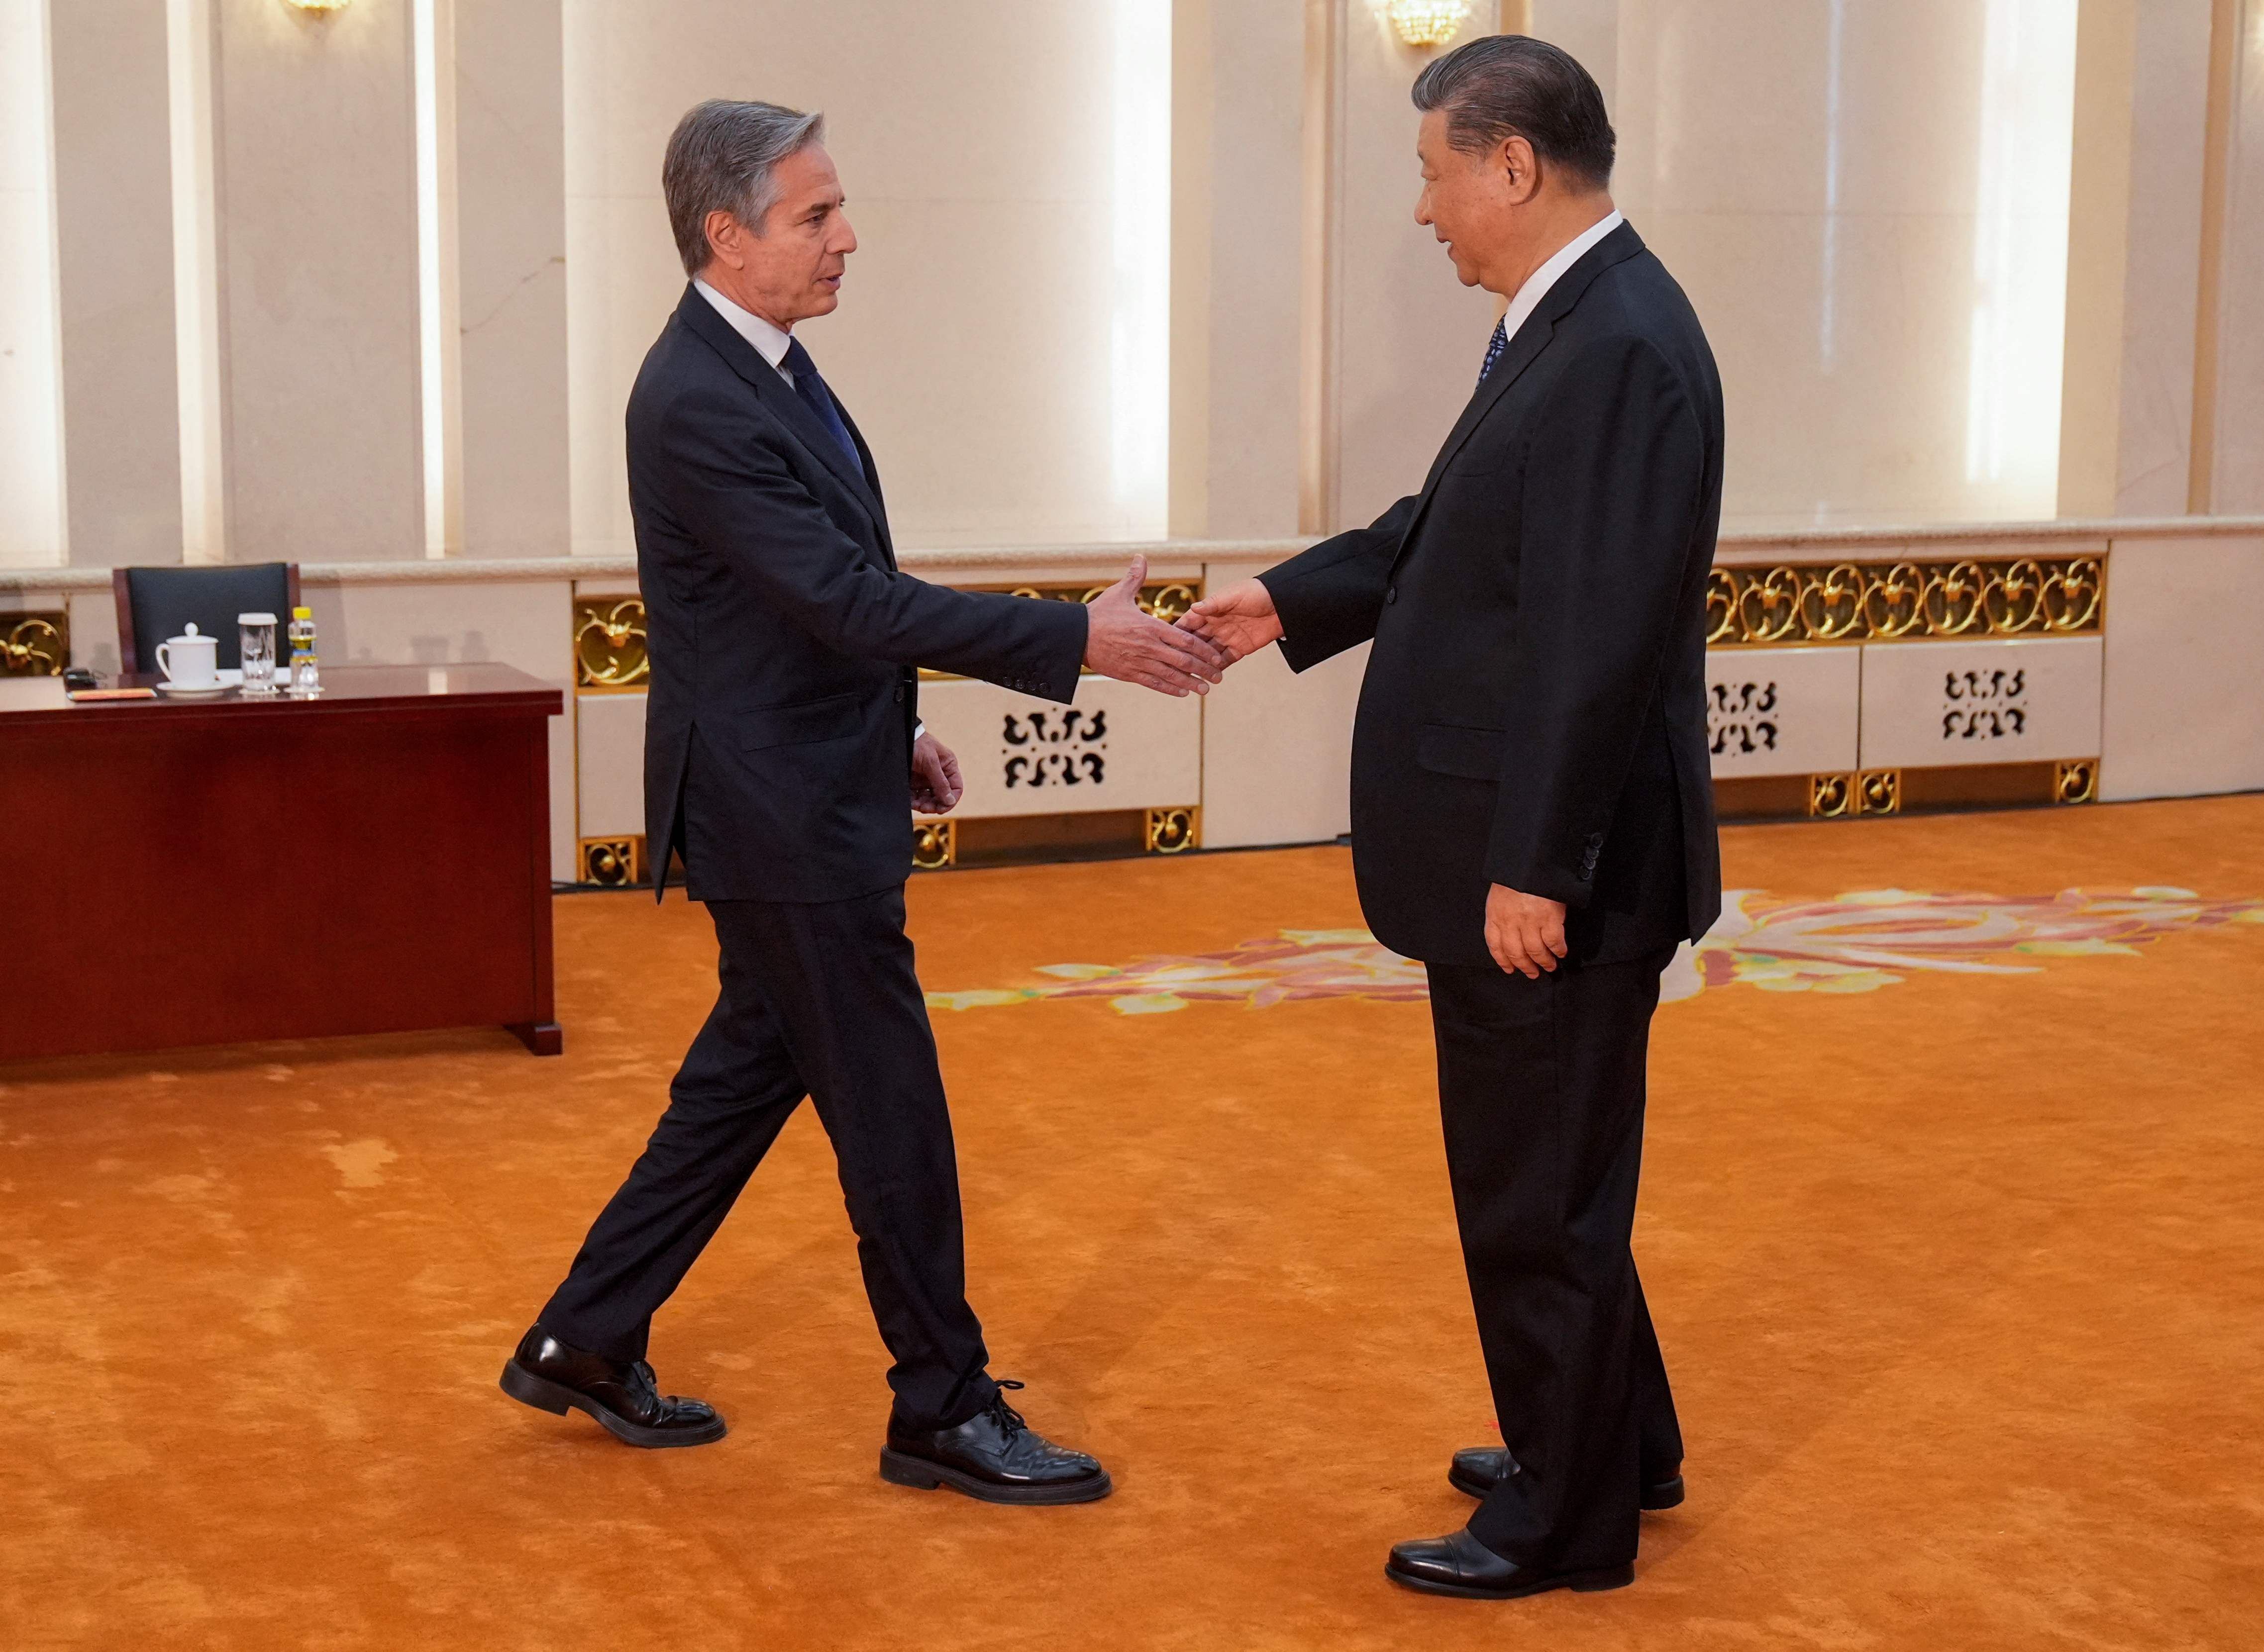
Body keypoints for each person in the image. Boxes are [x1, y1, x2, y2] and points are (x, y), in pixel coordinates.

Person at [500, 98, 1228, 1507]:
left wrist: (887, 732)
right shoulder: (697, 395)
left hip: (804, 782)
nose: (847, 237)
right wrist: (1076, 639)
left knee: (736, 1087)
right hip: (781, 820)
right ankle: (939, 1406)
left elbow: (795, 609)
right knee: (892, 1109)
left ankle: (582, 1336)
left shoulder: (763, 368)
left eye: (838, 208)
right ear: (726, 234)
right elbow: (840, 594)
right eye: (815, 215)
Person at [1179, 37, 1723, 1596]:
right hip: (1530, 844)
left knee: (1531, 1186)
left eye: (1431, 174)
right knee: (1559, 1171)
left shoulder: (1615, 341)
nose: (1421, 210)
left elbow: (1596, 634)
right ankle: (1618, 1436)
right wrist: (1288, 602)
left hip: (1549, 868)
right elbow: (1455, 531)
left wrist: (1534, 865)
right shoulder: (1572, 325)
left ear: (1512, 166)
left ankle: (1565, 1514)